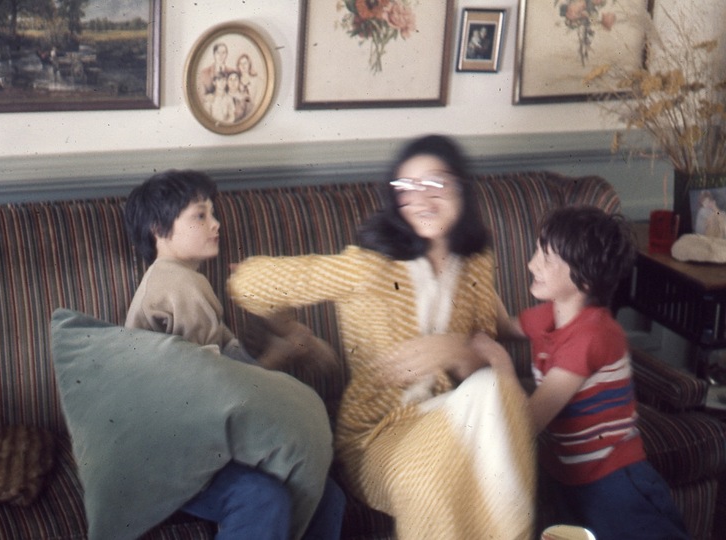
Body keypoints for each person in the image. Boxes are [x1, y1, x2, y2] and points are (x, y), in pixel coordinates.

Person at [229, 135, 536, 540]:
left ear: (461, 187)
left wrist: (453, 350)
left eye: (435, 183)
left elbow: (482, 350)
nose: (421, 199)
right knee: (437, 472)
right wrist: (290, 331)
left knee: (494, 392)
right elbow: (249, 285)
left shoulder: (476, 263)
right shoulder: (369, 269)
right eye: (406, 188)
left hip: (452, 414)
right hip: (379, 433)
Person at [123, 170, 344, 540]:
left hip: (197, 440)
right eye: (200, 215)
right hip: (168, 453)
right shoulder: (177, 283)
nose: (216, 224)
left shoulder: (183, 280)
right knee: (262, 497)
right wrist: (278, 355)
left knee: (325, 495)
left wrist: (275, 346)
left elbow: (220, 370)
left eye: (213, 213)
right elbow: (215, 389)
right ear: (158, 229)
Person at [470, 206, 689, 540]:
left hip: (614, 483)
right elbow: (501, 325)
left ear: (584, 279)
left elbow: (527, 423)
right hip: (570, 477)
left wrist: (499, 361)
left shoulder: (591, 335)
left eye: (546, 258)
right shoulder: (550, 315)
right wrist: (475, 270)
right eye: (537, 251)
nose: (531, 264)